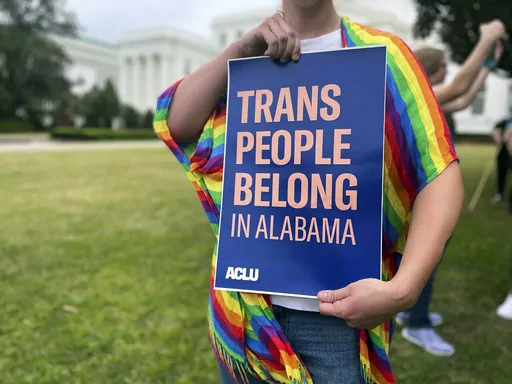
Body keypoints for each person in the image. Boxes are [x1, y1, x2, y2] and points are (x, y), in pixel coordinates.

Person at [153, 1, 473, 382]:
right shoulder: (248, 61)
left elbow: (439, 170)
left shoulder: (384, 56)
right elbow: (176, 125)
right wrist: (239, 51)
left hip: (335, 320)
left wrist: (405, 289)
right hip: (243, 312)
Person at [395, 31, 505, 357]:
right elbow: (458, 88)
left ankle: (411, 312)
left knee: (422, 257)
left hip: (424, 193)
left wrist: (486, 66)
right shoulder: (417, 94)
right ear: (430, 68)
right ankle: (417, 325)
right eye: (443, 65)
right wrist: (489, 37)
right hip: (420, 195)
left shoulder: (429, 96)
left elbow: (464, 98)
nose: (447, 70)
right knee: (426, 256)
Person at [490, 117, 512, 205]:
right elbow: (495, 129)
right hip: (503, 152)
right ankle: (499, 194)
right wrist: (497, 137)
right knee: (501, 173)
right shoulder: (505, 121)